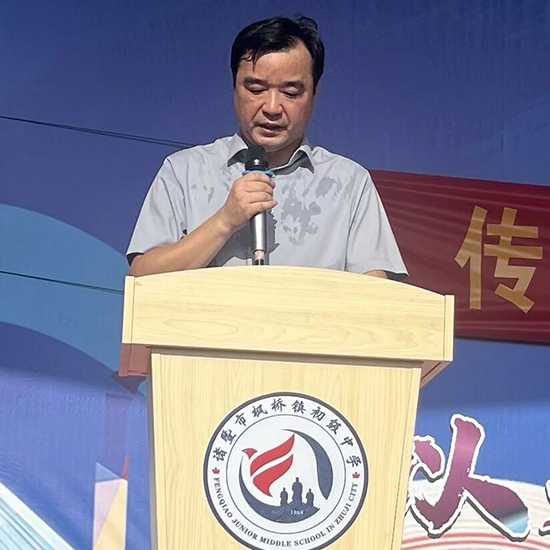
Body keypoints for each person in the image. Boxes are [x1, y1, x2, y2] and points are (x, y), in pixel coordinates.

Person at [127, 16, 407, 280]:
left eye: (290, 92)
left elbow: (375, 293)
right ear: (234, 86)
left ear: (315, 92)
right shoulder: (183, 171)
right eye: (256, 89)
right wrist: (224, 221)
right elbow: (143, 279)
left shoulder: (350, 182)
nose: (272, 108)